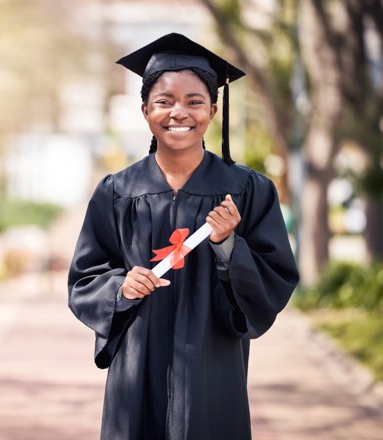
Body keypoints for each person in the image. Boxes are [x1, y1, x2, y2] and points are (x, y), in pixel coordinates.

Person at [67, 33, 299, 440]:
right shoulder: (117, 191)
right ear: (144, 110)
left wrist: (229, 244)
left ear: (212, 109)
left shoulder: (248, 190)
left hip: (212, 364)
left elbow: (274, 276)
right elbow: (85, 276)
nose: (179, 112)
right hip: (137, 367)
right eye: (164, 100)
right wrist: (120, 288)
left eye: (194, 101)